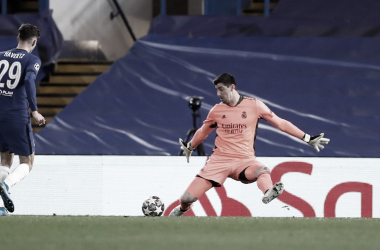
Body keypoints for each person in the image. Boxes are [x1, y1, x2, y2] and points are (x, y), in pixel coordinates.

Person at [169, 73, 330, 216]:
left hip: (244, 160)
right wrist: (190, 147)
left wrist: (307, 138)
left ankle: (268, 192)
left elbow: (281, 123)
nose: (218, 94)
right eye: (216, 90)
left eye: (221, 89)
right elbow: (203, 132)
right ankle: (183, 209)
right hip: (219, 161)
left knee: (262, 170)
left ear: (232, 87)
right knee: (186, 198)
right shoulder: (216, 110)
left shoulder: (254, 105)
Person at [0, 24, 45, 216]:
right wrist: (34, 111)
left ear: (18, 38)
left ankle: (1, 208)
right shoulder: (32, 60)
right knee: (27, 162)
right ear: (34, 42)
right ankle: (6, 185)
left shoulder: (1, 55)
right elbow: (28, 81)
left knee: (4, 160)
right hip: (16, 115)